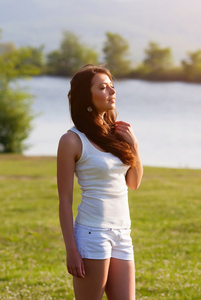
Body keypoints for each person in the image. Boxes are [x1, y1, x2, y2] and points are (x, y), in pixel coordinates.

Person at [57, 64, 143, 300]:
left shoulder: (117, 136)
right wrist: (71, 250)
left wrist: (134, 145)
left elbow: (133, 183)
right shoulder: (72, 140)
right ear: (87, 95)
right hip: (92, 233)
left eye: (112, 87)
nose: (112, 92)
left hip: (123, 233)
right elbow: (64, 199)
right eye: (103, 88)